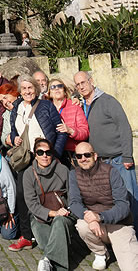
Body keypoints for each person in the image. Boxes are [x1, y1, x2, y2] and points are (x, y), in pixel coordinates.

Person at [8, 74, 67, 252]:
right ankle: (26, 236)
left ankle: (52, 230)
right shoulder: (16, 107)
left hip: (43, 156)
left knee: (47, 194)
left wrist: (53, 153)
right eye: (24, 88)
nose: (27, 91)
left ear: (36, 88)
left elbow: (61, 131)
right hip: (25, 157)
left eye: (30, 88)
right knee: (22, 195)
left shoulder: (46, 106)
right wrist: (14, 138)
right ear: (20, 90)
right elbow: (13, 130)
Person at [73, 70, 138, 227]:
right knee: (111, 201)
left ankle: (135, 236)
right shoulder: (82, 106)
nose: (81, 87)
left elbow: (124, 127)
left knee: (130, 199)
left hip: (118, 160)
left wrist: (127, 156)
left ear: (91, 81)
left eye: (83, 82)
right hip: (100, 163)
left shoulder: (108, 101)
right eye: (78, 84)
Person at [69, 142, 138, 271]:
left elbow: (123, 205)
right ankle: (101, 253)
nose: (83, 159)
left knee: (131, 268)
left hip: (119, 224)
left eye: (87, 155)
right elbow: (74, 202)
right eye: (79, 156)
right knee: (82, 226)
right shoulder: (74, 174)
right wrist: (91, 218)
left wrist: (100, 217)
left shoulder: (111, 172)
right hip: (95, 224)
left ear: (95, 156)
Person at [23, 138, 75, 271]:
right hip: (40, 218)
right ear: (35, 154)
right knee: (49, 242)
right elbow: (32, 204)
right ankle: (53, 259)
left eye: (48, 152)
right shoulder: (28, 174)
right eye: (40, 152)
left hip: (63, 215)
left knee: (59, 224)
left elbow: (73, 196)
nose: (44, 156)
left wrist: (63, 213)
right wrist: (52, 213)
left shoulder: (63, 170)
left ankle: (48, 262)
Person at [48, 76, 89, 167]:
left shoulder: (74, 106)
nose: (57, 89)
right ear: (49, 93)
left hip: (71, 154)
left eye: (60, 86)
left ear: (64, 91)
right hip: (51, 155)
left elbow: (85, 132)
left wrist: (70, 130)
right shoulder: (46, 108)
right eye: (53, 87)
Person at [0, 81, 19, 150]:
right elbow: (3, 136)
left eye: (5, 98)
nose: (5, 102)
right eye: (2, 101)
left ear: (13, 93)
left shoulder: (24, 107)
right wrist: (6, 139)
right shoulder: (6, 115)